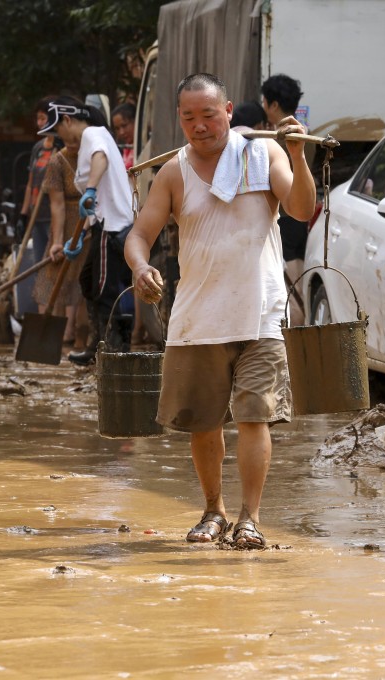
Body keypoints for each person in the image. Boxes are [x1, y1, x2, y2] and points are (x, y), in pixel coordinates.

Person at [125, 73, 316, 547]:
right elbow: (139, 234)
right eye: (189, 117)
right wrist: (140, 266)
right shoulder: (174, 172)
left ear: (229, 111)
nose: (200, 126)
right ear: (180, 120)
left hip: (260, 313)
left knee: (255, 416)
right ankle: (214, 510)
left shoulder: (261, 154)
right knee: (205, 423)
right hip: (198, 317)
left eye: (209, 115)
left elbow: (299, 208)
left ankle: (250, 518)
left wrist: (296, 156)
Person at [37, 96, 134, 366]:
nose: (59, 136)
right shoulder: (87, 143)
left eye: (58, 129)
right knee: (88, 280)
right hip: (102, 224)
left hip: (114, 226)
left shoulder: (93, 133)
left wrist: (89, 188)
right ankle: (98, 346)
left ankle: (113, 351)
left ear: (68, 120)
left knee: (104, 289)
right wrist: (76, 238)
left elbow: (100, 159)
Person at [32, 124, 89, 353]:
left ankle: (79, 337)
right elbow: (56, 204)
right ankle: (50, 338)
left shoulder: (93, 158)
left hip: (89, 225)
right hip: (65, 225)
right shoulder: (57, 162)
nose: (72, 143)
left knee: (82, 282)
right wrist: (57, 240)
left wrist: (88, 228)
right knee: (51, 279)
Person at [261, 74, 310, 324]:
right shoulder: (308, 133)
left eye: (265, 102)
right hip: (303, 222)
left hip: (286, 220)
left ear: (274, 105)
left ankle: (294, 346)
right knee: (299, 284)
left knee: (290, 289)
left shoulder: (276, 140)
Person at [17, 96, 57, 271]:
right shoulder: (38, 148)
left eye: (43, 118)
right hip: (36, 215)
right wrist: (24, 214)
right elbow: (30, 183)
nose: (39, 123)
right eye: (38, 118)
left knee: (52, 264)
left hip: (53, 216)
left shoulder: (61, 148)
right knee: (37, 266)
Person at [111, 102, 136, 169]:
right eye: (117, 128)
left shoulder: (142, 148)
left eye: (124, 125)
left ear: (135, 121)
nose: (121, 132)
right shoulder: (126, 149)